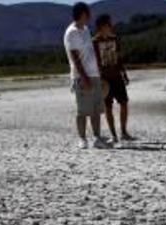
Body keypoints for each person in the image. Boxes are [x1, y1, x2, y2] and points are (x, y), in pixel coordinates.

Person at [64, 2, 111, 150]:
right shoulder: (72, 32)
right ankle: (82, 139)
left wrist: (99, 73)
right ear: (83, 14)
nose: (90, 16)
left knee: (96, 109)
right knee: (83, 110)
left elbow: (90, 53)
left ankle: (97, 138)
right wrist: (84, 78)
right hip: (81, 76)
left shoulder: (85, 29)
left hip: (94, 73)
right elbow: (75, 57)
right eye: (88, 13)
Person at [92, 14, 135, 143]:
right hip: (104, 79)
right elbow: (92, 62)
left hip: (117, 76)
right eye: (108, 24)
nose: (111, 26)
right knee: (108, 107)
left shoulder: (115, 39)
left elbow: (119, 58)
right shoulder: (94, 42)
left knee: (124, 103)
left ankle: (123, 132)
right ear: (101, 27)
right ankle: (113, 135)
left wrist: (125, 74)